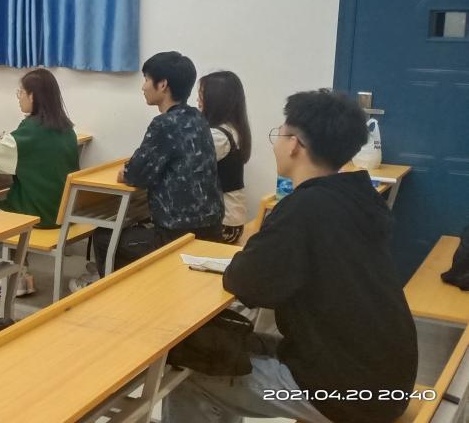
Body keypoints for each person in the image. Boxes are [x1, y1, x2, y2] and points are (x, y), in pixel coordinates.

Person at [164, 89, 418, 423]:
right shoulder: (360, 198)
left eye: (279, 135)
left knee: (187, 373)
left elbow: (246, 282)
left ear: (295, 144)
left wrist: (252, 246)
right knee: (224, 347)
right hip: (387, 378)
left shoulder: (304, 208)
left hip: (347, 394)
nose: (276, 145)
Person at [78, 52, 223, 290]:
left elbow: (134, 174)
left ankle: (117, 297)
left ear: (162, 84)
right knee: (133, 227)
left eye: (146, 79)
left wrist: (126, 172)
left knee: (104, 237)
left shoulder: (164, 124)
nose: (143, 87)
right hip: (211, 229)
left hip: (175, 235)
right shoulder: (198, 119)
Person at [0, 69, 80, 297]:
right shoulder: (67, 130)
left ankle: (3, 278)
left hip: (38, 212)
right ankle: (20, 273)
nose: (19, 97)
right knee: (3, 203)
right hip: (63, 211)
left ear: (33, 96)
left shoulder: (30, 132)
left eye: (21, 92)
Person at [197, 71, 251, 244]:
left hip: (224, 226)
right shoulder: (232, 129)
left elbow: (186, 164)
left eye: (201, 96)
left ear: (215, 100)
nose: (197, 101)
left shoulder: (217, 136)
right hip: (230, 221)